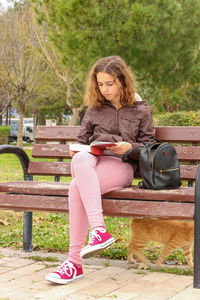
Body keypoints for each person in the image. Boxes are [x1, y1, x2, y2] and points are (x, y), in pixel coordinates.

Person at [46, 55, 155, 285]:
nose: (104, 89)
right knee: (80, 160)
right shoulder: (95, 109)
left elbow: (150, 147)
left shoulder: (140, 110)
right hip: (93, 162)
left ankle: (74, 263)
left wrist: (129, 147)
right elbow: (82, 139)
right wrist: (76, 150)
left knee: (76, 188)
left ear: (122, 81)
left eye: (109, 83)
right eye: (100, 84)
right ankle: (99, 230)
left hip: (122, 165)